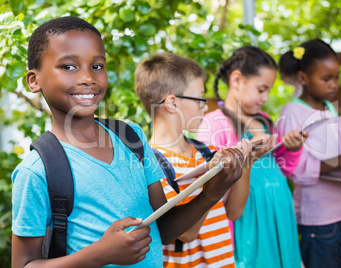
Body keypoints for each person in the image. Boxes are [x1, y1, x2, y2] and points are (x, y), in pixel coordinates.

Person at [11, 16, 245, 268]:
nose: (88, 78)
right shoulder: (37, 171)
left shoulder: (131, 137)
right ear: (34, 81)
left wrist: (211, 193)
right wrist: (100, 253)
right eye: (69, 67)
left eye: (97, 66)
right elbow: (24, 265)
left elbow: (163, 229)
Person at [135, 52, 276, 267]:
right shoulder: (151, 165)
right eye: (200, 99)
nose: (205, 107)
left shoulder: (208, 151)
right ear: (172, 104)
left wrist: (247, 163)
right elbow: (187, 233)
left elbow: (234, 211)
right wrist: (212, 187)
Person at [277, 39, 341, 268]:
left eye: (336, 77)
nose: (334, 84)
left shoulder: (332, 107)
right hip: (318, 218)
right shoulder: (292, 113)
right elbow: (298, 169)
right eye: (326, 78)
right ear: (303, 78)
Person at [197, 46, 305, 268]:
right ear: (237, 80)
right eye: (262, 89)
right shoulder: (214, 124)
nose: (265, 98)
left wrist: (292, 149)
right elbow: (214, 186)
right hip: (248, 228)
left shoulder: (264, 120)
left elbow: (281, 169)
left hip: (279, 221)